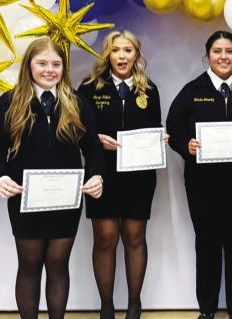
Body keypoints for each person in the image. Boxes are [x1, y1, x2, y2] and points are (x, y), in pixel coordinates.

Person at [0, 37, 104, 319]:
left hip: (67, 200)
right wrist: (0, 178)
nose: (49, 70)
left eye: (56, 64)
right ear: (29, 66)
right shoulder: (10, 102)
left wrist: (97, 175)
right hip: (26, 200)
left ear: (64, 67)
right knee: (29, 264)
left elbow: (93, 148)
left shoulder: (77, 102)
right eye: (42, 63)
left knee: (59, 264)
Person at [166, 31, 232, 319]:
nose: (223, 57)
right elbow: (173, 129)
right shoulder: (192, 90)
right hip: (202, 185)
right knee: (207, 246)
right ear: (207, 55)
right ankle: (207, 311)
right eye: (217, 51)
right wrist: (186, 144)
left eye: (229, 51)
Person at [78, 30, 167, 319]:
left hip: (138, 176)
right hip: (101, 174)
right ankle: (106, 305)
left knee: (134, 236)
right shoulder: (90, 88)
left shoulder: (149, 90)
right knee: (104, 238)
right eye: (116, 50)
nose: (122, 56)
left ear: (136, 55)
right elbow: (77, 131)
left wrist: (160, 141)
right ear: (108, 55)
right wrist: (96, 139)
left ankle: (134, 303)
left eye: (128, 50)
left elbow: (155, 127)